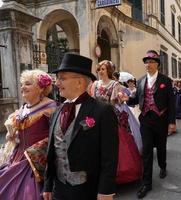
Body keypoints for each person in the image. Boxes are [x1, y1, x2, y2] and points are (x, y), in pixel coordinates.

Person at [43, 53, 119, 200]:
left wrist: (106, 191)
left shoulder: (102, 111)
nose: (57, 83)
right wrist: (48, 184)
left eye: (62, 78)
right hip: (58, 188)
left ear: (79, 82)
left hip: (87, 190)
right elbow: (52, 151)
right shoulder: (56, 112)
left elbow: (110, 157)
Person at [122, 50, 176, 199]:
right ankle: (146, 183)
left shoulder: (166, 80)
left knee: (161, 147)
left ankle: (163, 166)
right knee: (146, 151)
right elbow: (136, 100)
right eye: (146, 62)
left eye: (151, 62)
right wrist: (126, 98)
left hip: (161, 119)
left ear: (157, 64)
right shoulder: (140, 81)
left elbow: (171, 103)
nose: (148, 64)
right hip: (145, 119)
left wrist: (172, 122)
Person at [0, 69, 56, 199]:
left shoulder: (51, 108)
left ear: (41, 88)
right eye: (22, 84)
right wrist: (12, 137)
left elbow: (57, 137)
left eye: (28, 83)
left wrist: (36, 150)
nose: (23, 87)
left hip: (36, 163)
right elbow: (19, 133)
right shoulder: (23, 108)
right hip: (16, 157)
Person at [90, 60, 143, 184]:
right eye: (99, 69)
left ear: (108, 71)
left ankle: (117, 174)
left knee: (116, 146)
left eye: (103, 69)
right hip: (97, 117)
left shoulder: (115, 84)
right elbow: (92, 100)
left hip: (110, 116)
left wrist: (120, 97)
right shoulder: (95, 84)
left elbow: (117, 101)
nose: (100, 71)